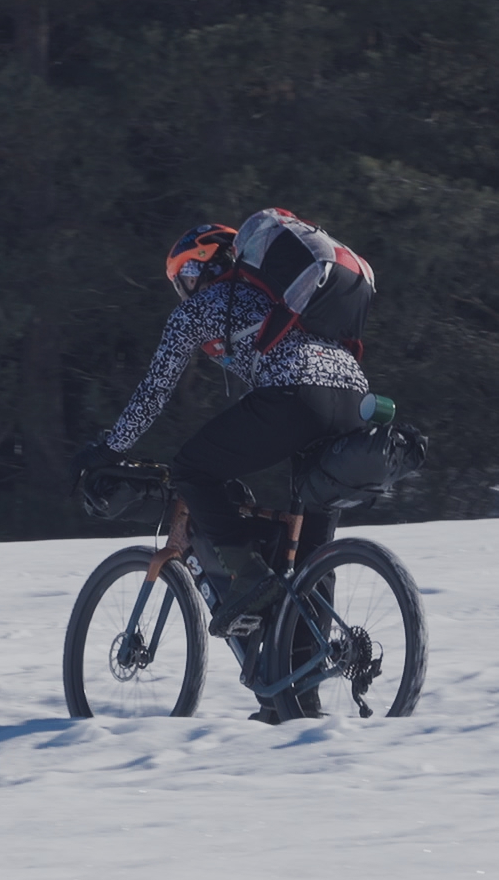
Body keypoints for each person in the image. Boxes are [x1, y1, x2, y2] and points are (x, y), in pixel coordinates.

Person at [74, 218, 370, 642]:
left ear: (198, 269)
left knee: (192, 469)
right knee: (311, 552)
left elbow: (154, 392)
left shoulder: (201, 307)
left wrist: (109, 448)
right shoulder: (280, 298)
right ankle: (303, 676)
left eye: (182, 280)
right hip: (355, 400)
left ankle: (248, 575)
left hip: (298, 394)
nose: (182, 291)